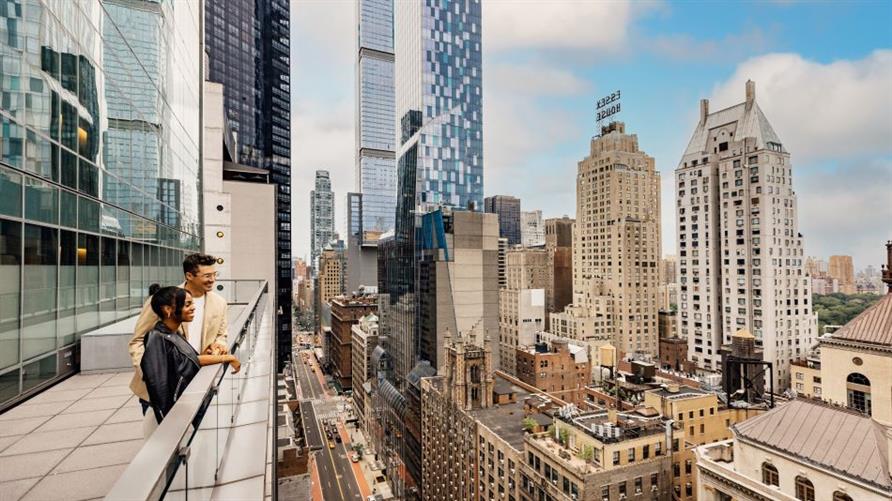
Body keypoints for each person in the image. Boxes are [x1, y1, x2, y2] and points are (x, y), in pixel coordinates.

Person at [129, 253, 230, 410]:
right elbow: (138, 341)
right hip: (161, 388)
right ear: (189, 275)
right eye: (207, 276)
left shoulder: (220, 303)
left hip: (197, 382)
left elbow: (221, 334)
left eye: (214, 274)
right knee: (161, 433)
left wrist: (219, 344)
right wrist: (152, 375)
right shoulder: (164, 299)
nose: (212, 280)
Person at [140, 285, 240, 433]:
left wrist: (215, 353)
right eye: (187, 304)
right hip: (173, 419)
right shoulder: (157, 339)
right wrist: (170, 426)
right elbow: (159, 387)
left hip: (183, 412)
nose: (193, 308)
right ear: (168, 309)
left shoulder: (173, 333)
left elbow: (188, 361)